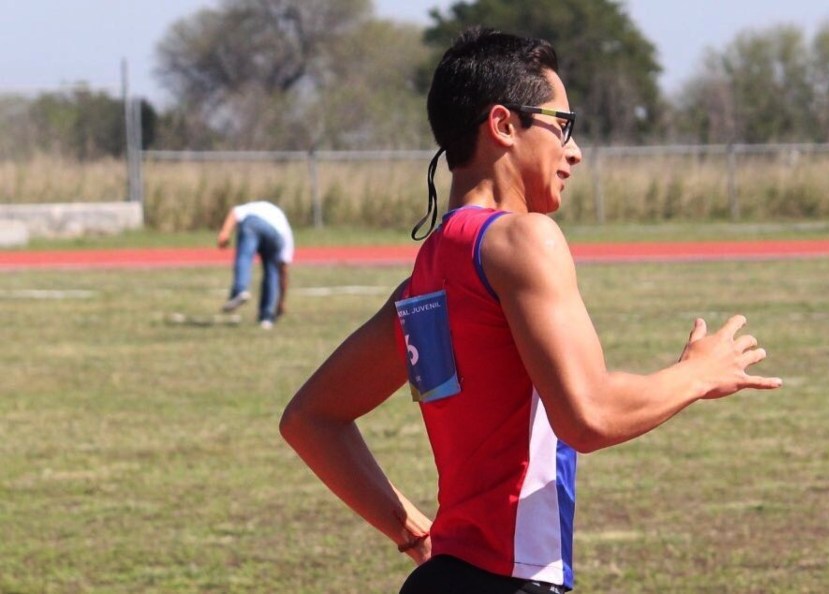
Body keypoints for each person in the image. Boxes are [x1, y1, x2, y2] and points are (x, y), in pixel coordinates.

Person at [279, 27, 782, 593]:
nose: (574, 150)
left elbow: (311, 420)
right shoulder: (524, 241)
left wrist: (418, 538)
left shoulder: (426, 274)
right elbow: (589, 415)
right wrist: (697, 374)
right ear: (502, 125)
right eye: (561, 125)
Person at [216, 200, 294, 329]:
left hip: (253, 223)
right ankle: (267, 316)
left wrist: (225, 232)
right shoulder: (286, 230)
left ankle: (240, 290)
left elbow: (235, 212)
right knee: (272, 270)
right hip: (276, 234)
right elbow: (283, 271)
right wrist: (281, 302)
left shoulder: (252, 208)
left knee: (245, 256)